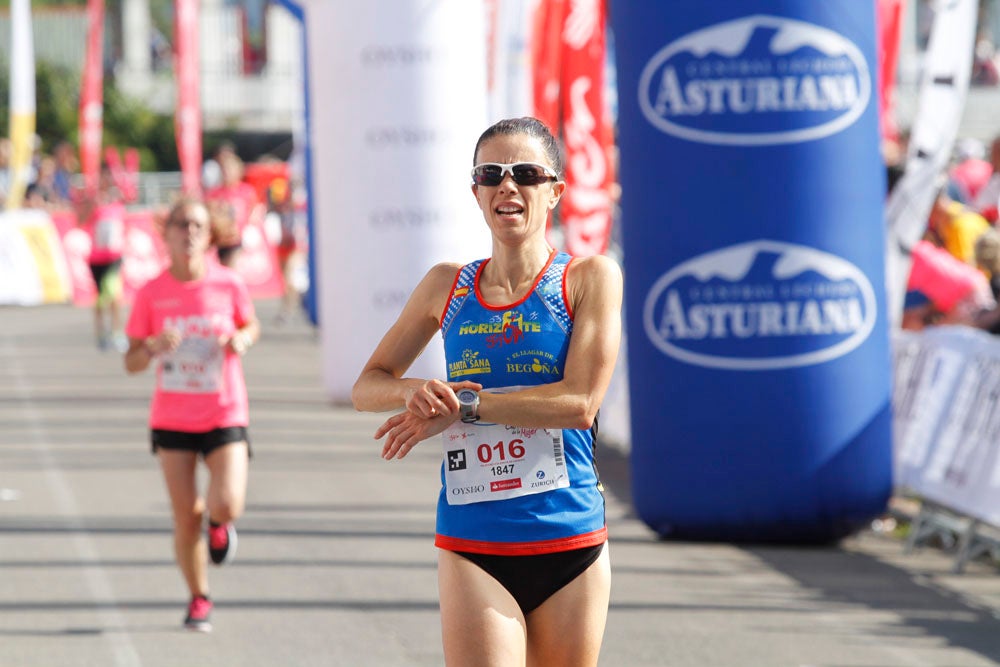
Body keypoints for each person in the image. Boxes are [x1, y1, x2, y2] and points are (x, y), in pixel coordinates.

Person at [352, 117, 623, 666]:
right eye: (491, 173)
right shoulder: (447, 285)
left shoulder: (588, 278)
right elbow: (368, 386)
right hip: (474, 541)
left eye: (525, 173)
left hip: (568, 537)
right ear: (476, 192)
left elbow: (579, 405)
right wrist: (418, 392)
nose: (508, 185)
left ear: (555, 192)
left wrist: (465, 406)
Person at [123, 197, 259, 632]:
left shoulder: (229, 284)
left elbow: (250, 325)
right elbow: (130, 361)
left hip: (224, 409)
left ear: (210, 234)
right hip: (172, 417)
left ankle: (222, 525)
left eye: (198, 225)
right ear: (166, 234)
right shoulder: (152, 293)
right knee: (186, 516)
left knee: (227, 501)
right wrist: (150, 347)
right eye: (181, 224)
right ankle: (199, 596)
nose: (190, 232)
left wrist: (241, 339)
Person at [77, 164, 127, 351]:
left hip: (114, 257)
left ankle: (117, 332)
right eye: (104, 177)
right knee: (100, 299)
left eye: (110, 177)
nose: (108, 181)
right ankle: (101, 334)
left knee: (113, 294)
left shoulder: (118, 202)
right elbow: (81, 222)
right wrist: (89, 205)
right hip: (96, 259)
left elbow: (124, 227)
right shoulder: (94, 202)